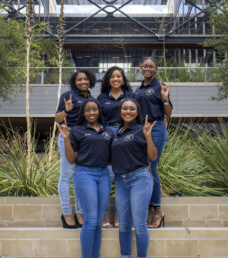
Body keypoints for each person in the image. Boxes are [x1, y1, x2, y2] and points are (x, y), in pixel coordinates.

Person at [57, 97, 113, 258]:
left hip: (103, 175)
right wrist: (67, 139)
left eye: (94, 109)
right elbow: (71, 159)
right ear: (83, 113)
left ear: (99, 111)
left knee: (98, 221)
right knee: (90, 219)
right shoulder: (76, 131)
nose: (91, 112)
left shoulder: (107, 132)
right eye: (87, 110)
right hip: (85, 174)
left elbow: (111, 156)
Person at [111, 98, 157, 258]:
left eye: (132, 109)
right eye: (124, 108)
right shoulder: (117, 133)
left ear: (137, 112)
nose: (128, 111)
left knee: (139, 224)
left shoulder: (141, 130)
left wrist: (148, 136)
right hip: (120, 181)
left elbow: (152, 156)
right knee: (123, 225)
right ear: (120, 111)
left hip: (139, 179)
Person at [135, 56, 173, 228]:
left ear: (156, 69)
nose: (148, 69)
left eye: (151, 66)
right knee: (144, 168)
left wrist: (165, 98)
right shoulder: (138, 89)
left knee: (151, 167)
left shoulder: (160, 86)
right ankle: (149, 209)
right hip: (141, 131)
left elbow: (169, 112)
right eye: (145, 66)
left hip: (156, 129)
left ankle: (157, 210)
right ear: (141, 68)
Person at [55, 70, 96, 228]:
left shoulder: (91, 98)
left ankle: (80, 212)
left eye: (86, 79)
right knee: (66, 175)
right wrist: (66, 110)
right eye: (79, 79)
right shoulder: (68, 96)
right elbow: (57, 119)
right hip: (69, 134)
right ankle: (66, 213)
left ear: (90, 80)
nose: (83, 82)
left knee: (80, 175)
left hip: (84, 138)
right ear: (75, 81)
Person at [97, 66, 134, 228]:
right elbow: (96, 118)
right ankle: (105, 214)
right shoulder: (102, 97)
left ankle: (119, 214)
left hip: (125, 133)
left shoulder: (130, 96)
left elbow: (136, 114)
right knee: (108, 176)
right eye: (112, 76)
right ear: (108, 80)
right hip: (107, 134)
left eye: (119, 76)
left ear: (123, 79)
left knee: (123, 176)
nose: (116, 79)